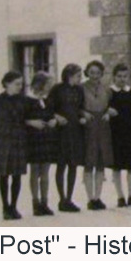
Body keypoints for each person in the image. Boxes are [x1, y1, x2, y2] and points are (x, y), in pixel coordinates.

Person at [0, 71, 28, 220]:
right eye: (17, 84)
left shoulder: (23, 100)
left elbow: (25, 118)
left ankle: (14, 206)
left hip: (18, 138)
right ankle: (5, 207)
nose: (20, 87)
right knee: (3, 174)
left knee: (17, 174)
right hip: (3, 140)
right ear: (7, 84)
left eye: (21, 84)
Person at [50, 64, 85, 212]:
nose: (80, 78)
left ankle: (69, 199)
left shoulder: (79, 90)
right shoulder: (57, 89)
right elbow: (49, 108)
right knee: (61, 164)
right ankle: (61, 198)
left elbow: (80, 107)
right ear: (69, 75)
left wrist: (83, 116)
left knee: (73, 164)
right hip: (61, 132)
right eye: (78, 75)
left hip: (75, 130)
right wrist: (57, 117)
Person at [82, 61, 114, 210]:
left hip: (102, 125)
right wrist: (83, 113)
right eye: (92, 72)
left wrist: (108, 113)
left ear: (102, 74)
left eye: (97, 73)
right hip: (89, 125)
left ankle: (98, 197)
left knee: (100, 161)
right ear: (87, 72)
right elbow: (76, 106)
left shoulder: (107, 89)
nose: (94, 75)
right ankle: (90, 198)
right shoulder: (81, 88)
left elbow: (111, 106)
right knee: (89, 161)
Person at [24, 71, 58, 217]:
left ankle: (45, 202)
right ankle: (35, 202)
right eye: (48, 83)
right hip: (33, 137)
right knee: (35, 171)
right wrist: (32, 123)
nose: (50, 86)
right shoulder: (27, 100)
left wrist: (53, 121)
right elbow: (22, 118)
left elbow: (52, 114)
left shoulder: (48, 100)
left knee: (45, 172)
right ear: (40, 84)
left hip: (46, 137)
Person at [108, 64, 131, 208]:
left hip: (129, 130)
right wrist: (107, 109)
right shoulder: (109, 92)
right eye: (119, 76)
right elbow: (103, 106)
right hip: (114, 132)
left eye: (124, 76)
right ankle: (120, 196)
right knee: (117, 166)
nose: (122, 79)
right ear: (114, 77)